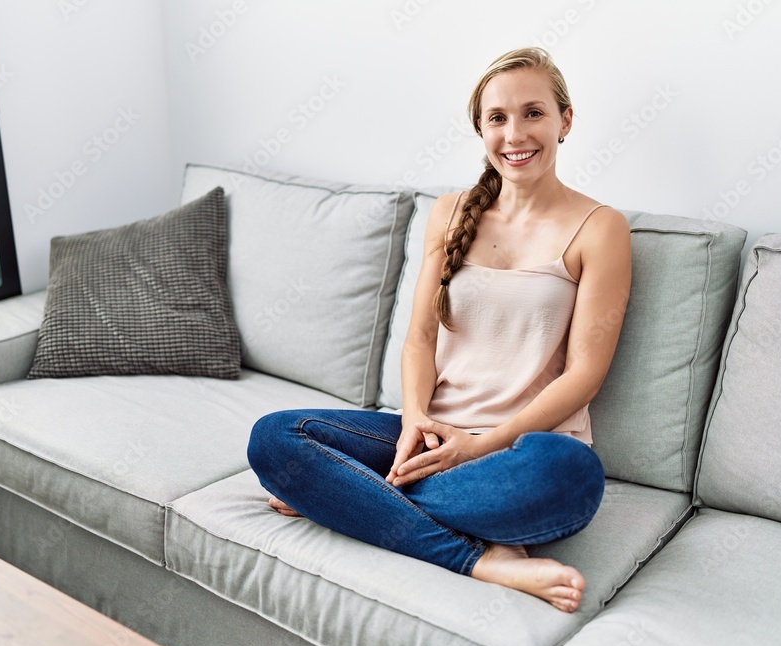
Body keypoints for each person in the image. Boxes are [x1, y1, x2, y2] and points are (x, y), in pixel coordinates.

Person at [247, 47, 631, 613]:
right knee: (274, 437)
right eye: (497, 118)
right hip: (430, 437)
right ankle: (480, 558)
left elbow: (585, 375)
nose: (515, 134)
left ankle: (345, 498)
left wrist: (478, 446)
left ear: (565, 121)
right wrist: (414, 421)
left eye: (533, 113)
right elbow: (420, 340)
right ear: (481, 129)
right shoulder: (450, 213)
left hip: (519, 454)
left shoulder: (600, 228)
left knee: (573, 476)